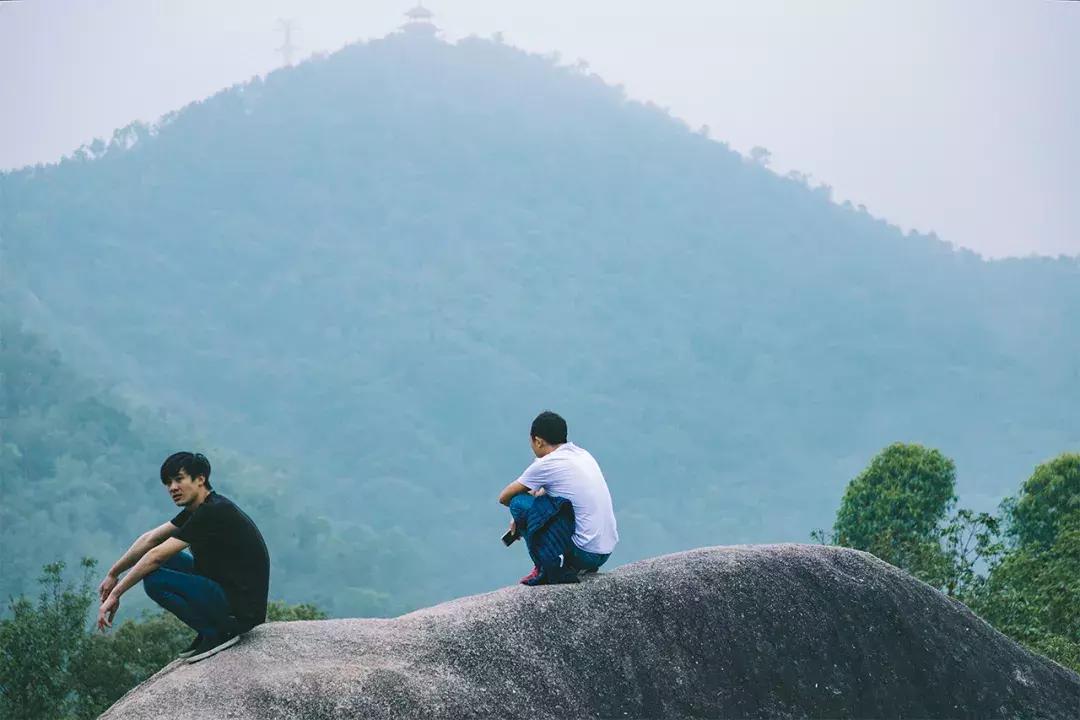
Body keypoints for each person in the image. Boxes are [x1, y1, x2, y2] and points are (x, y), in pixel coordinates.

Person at [96, 452, 270, 664]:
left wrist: (116, 594)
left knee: (155, 579)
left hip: (240, 609)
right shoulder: (199, 509)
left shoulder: (213, 512)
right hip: (225, 589)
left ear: (200, 479)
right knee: (164, 559)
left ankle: (218, 632)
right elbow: (151, 539)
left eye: (179, 479)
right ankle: (211, 628)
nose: (172, 488)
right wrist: (113, 574)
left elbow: (155, 557)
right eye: (168, 483)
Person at [498, 411, 619, 583]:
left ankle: (543, 566)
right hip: (603, 553)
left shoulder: (546, 464)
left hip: (582, 553)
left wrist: (521, 518)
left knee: (518, 503)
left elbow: (505, 497)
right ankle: (571, 564)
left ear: (538, 441)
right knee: (546, 503)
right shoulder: (583, 455)